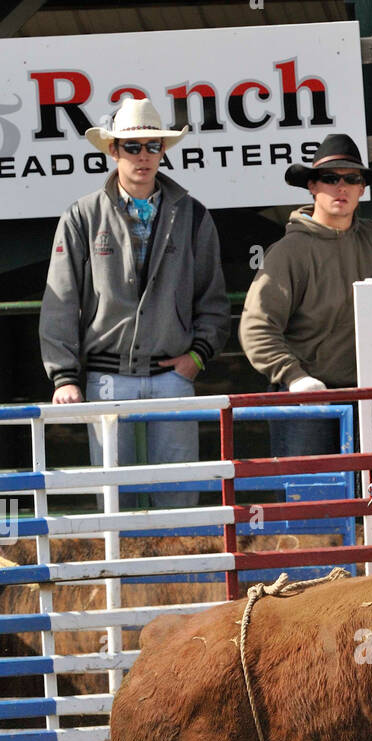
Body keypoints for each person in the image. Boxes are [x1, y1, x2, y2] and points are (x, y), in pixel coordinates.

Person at [39, 98, 230, 508]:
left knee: (179, 497)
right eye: (132, 146)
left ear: (163, 151)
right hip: (106, 379)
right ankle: (121, 575)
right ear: (113, 151)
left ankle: (180, 575)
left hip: (172, 376)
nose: (143, 156)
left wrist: (195, 358)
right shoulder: (82, 216)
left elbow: (212, 299)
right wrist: (65, 377)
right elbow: (60, 302)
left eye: (153, 146)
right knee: (114, 501)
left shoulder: (194, 215)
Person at [239, 133, 372, 458]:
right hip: (307, 400)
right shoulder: (288, 252)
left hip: (370, 397)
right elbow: (256, 328)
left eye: (352, 178)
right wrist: (295, 377)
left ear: (363, 188)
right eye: (330, 178)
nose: (341, 186)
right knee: (311, 501)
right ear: (312, 186)